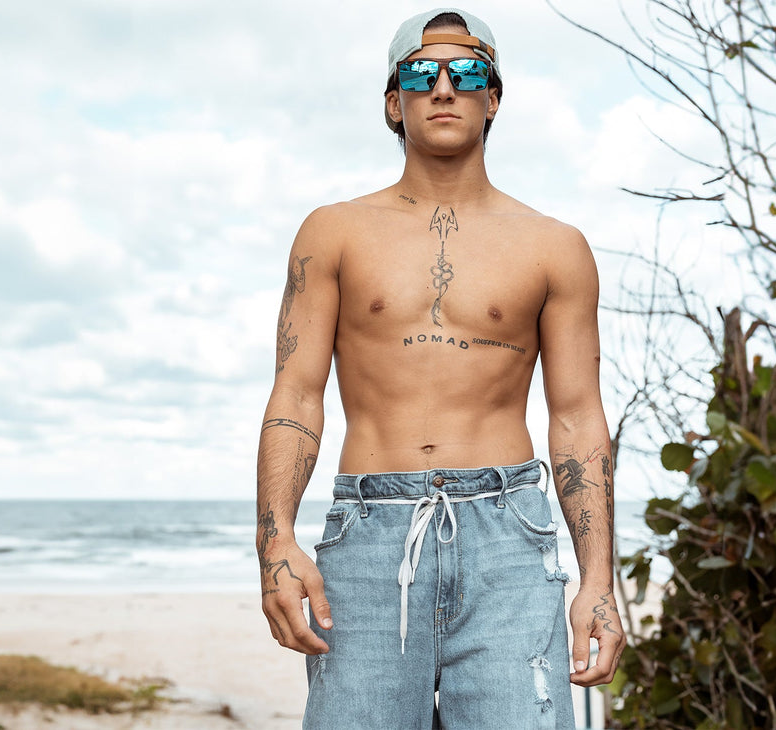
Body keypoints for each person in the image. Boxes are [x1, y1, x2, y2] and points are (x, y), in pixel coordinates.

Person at [255, 7, 624, 728]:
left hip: (510, 540)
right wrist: (275, 542)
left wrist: (597, 582)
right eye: (422, 74)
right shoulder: (332, 232)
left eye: (469, 73)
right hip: (366, 534)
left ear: (493, 99)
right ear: (394, 103)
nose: (445, 88)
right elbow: (295, 394)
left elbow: (577, 417)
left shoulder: (554, 246)